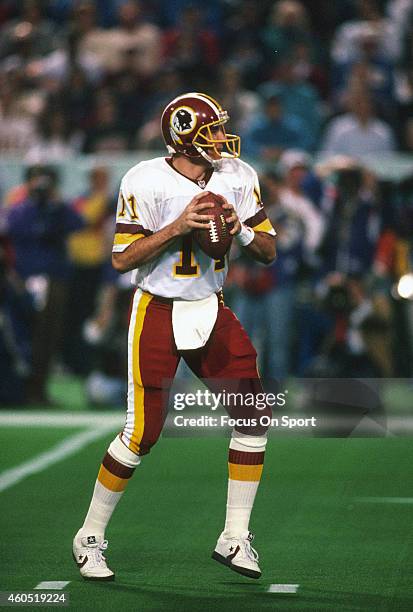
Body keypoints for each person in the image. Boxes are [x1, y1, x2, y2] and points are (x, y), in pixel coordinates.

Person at [73, 92, 276, 581]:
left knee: (254, 415)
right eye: (210, 133)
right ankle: (90, 537)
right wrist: (177, 226)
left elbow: (268, 249)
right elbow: (122, 258)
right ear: (183, 136)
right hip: (158, 309)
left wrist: (241, 232)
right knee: (142, 433)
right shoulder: (145, 178)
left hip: (211, 306)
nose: (222, 140)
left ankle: (234, 536)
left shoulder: (237, 175)